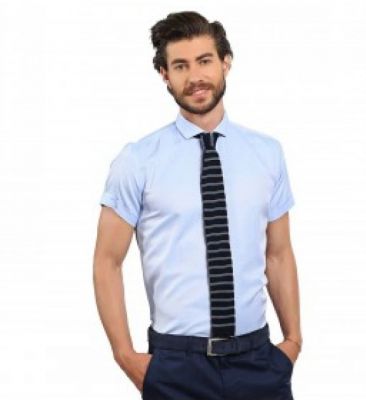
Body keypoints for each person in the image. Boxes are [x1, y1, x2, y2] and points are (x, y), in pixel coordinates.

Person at [93, 10, 302, 400]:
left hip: (258, 361)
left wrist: (292, 342)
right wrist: (126, 356)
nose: (195, 77)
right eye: (180, 66)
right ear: (164, 74)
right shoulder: (138, 160)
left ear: (226, 62)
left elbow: (278, 253)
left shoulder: (267, 154)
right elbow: (107, 262)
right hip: (176, 365)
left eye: (205, 61)